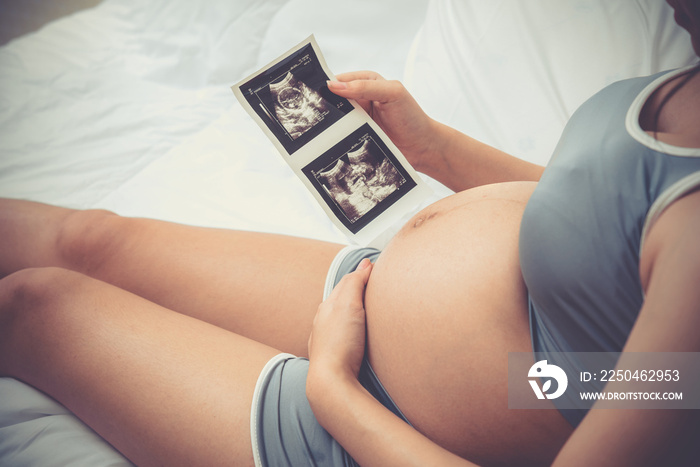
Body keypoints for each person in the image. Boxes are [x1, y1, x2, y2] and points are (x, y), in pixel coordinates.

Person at [1, 0, 699, 465]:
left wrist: (336, 391)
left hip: (376, 430)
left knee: (35, 308)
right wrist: (439, 152)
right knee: (92, 239)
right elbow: (609, 268)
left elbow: (661, 388)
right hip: (365, 288)